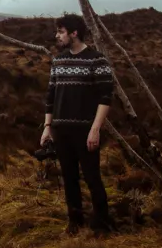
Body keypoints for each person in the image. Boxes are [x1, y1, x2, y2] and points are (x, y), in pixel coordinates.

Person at [39, 13, 113, 235]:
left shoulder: (96, 60)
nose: (57, 36)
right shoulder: (58, 61)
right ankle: (75, 223)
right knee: (69, 179)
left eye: (61, 32)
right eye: (57, 31)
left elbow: (106, 98)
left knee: (92, 178)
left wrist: (95, 129)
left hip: (85, 131)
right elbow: (50, 96)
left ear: (74, 33)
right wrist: (47, 128)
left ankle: (103, 225)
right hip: (61, 131)